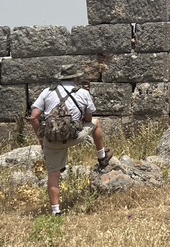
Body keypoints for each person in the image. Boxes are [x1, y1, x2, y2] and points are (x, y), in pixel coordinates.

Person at [29, 65, 113, 216]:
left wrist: (41, 139)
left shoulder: (47, 92)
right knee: (96, 123)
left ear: (60, 78)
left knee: (53, 175)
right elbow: (88, 118)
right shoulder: (83, 93)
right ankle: (102, 157)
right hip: (74, 137)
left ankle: (56, 212)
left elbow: (34, 117)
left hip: (51, 139)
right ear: (75, 78)